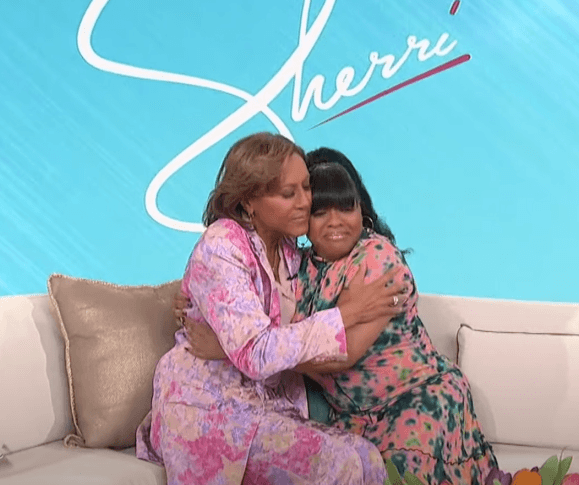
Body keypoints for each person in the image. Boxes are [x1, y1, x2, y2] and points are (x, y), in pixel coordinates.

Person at [186, 151, 499, 485]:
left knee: (398, 474)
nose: (334, 221)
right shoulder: (298, 266)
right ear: (304, 222)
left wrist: (233, 352)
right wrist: (194, 298)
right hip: (352, 414)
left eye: (346, 208)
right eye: (320, 212)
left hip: (416, 398)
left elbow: (342, 355)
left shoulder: (377, 258)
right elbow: (251, 308)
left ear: (361, 211)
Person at [136, 132, 409, 485]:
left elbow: (281, 325)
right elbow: (256, 353)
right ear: (249, 200)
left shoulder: (289, 249)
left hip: (264, 403)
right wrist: (348, 314)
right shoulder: (221, 246)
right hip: (207, 406)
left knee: (366, 457)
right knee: (342, 463)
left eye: (306, 188)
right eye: (288, 193)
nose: (305, 202)